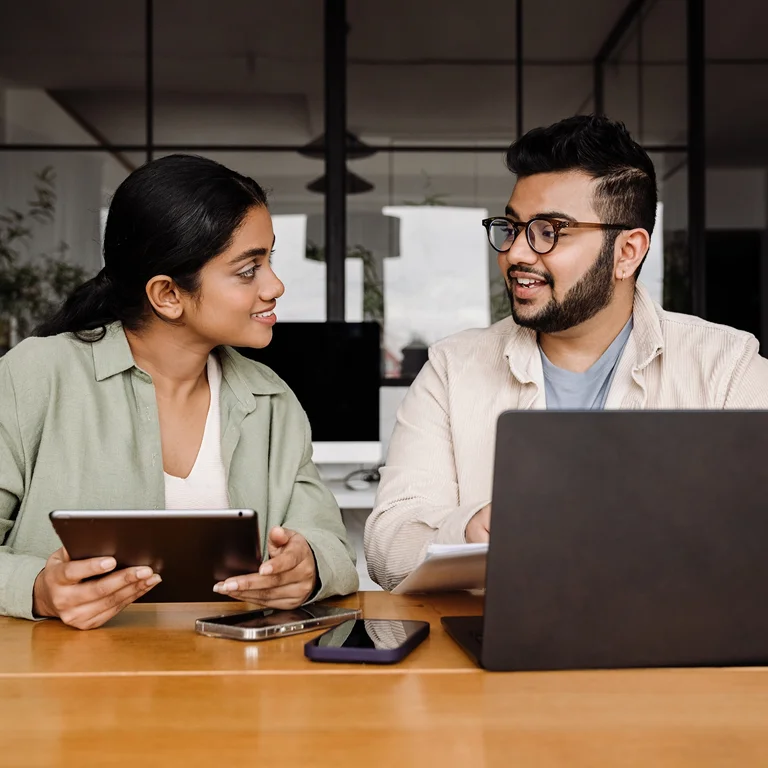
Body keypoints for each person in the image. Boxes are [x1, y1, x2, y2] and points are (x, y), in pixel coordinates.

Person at [365, 114, 768, 591]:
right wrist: (471, 531)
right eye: (511, 228)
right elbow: (386, 546)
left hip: (671, 649)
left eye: (549, 230)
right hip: (492, 645)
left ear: (627, 252)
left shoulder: (726, 366)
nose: (516, 253)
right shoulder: (453, 368)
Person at [0, 154, 358, 626]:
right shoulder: (36, 376)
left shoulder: (270, 399)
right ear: (168, 294)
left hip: (240, 684)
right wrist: (38, 590)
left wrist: (308, 567)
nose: (276, 285)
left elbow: (330, 544)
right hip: (71, 689)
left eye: (270, 259)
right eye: (248, 269)